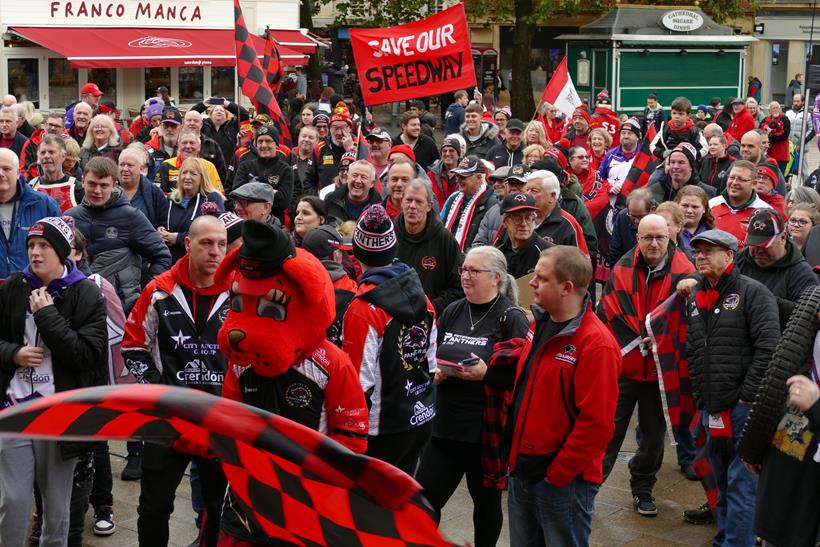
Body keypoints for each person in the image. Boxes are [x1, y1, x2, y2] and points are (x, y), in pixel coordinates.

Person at [122, 214, 229, 547]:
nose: (215, 252)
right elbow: (132, 346)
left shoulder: (240, 294)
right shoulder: (159, 291)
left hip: (219, 421)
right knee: (153, 508)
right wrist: (160, 391)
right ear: (187, 245)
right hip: (166, 420)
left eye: (222, 244)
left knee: (218, 508)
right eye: (206, 243)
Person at [0, 216, 107, 547]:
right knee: (13, 501)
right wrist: (13, 353)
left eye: (44, 246)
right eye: (31, 245)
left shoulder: (86, 293)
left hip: (59, 415)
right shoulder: (14, 286)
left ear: (63, 252)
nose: (35, 252)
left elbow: (87, 356)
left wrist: (47, 316)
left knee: (57, 509)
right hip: (12, 409)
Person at [506, 245, 620, 547]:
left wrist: (558, 475)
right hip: (523, 472)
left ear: (567, 288)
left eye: (541, 279)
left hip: (563, 484)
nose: (531, 283)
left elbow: (597, 424)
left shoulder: (596, 345)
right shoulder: (540, 323)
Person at [416, 246, 529, 547]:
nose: (465, 276)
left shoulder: (511, 317)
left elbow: (522, 376)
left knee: (486, 507)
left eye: (474, 271)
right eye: (464, 270)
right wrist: (435, 373)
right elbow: (431, 355)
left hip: (485, 433)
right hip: (444, 429)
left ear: (496, 278)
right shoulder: (454, 310)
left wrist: (486, 374)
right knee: (424, 502)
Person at [683, 228, 780, 547]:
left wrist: (747, 397)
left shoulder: (753, 293)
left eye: (709, 250)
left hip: (742, 409)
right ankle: (725, 537)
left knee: (741, 484)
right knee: (720, 481)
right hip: (711, 405)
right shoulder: (697, 295)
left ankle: (736, 542)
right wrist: (701, 394)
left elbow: (769, 348)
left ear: (729, 255)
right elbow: (694, 347)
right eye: (697, 251)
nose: (701, 256)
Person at [599, 214, 696, 515]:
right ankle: (590, 485)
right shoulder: (622, 268)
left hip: (660, 372)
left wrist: (662, 340)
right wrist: (643, 338)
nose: (654, 244)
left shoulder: (686, 272)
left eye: (660, 238)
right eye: (647, 238)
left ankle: (643, 488)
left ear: (670, 237)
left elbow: (689, 322)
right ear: (637, 238)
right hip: (624, 369)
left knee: (654, 438)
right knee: (606, 431)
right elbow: (610, 314)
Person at [343, 205, 437, 474]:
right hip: (420, 418)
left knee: (371, 511)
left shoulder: (364, 308)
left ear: (357, 252)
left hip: (382, 431)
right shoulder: (423, 297)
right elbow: (429, 365)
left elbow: (358, 383)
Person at [64, 157, 171, 314]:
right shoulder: (70, 218)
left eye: (104, 185)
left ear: (114, 185)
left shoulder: (131, 216)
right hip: (79, 307)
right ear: (82, 181)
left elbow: (162, 255)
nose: (97, 191)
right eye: (92, 184)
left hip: (122, 309)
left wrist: (147, 290)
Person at [734, 207, 817, 327]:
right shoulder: (741, 258)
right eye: (753, 244)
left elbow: (809, 315)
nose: (758, 251)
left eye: (764, 245)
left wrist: (764, 298)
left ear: (783, 238)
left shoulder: (801, 273)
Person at [395, 178, 464, 315]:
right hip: (393, 317)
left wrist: (430, 308)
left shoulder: (444, 239)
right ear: (402, 202)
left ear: (429, 206)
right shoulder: (390, 235)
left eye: (419, 201)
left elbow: (458, 287)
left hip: (432, 319)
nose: (412, 206)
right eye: (408, 200)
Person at [0, 148, 61, 278]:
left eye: (6, 169)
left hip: (33, 288)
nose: (1, 174)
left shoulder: (44, 205)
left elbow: (61, 251)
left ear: (18, 173)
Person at [161, 157, 225, 263]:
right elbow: (162, 220)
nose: (187, 177)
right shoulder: (171, 199)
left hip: (198, 262)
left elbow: (215, 231)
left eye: (193, 174)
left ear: (202, 177)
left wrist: (179, 238)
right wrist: (160, 228)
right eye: (184, 173)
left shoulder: (211, 198)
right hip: (169, 262)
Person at [233, 126, 293, 224]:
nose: (264, 145)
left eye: (268, 141)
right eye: (260, 141)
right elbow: (237, 195)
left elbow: (283, 201)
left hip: (275, 224)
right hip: (246, 223)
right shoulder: (245, 167)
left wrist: (250, 192)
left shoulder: (286, 170)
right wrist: (271, 191)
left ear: (276, 144)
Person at [708, 159, 771, 248]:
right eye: (732, 177)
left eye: (741, 179)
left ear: (753, 184)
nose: (734, 183)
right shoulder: (712, 204)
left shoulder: (765, 212)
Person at [441, 155, 498, 251]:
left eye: (463, 177)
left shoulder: (492, 204)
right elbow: (441, 226)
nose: (458, 180)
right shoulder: (453, 199)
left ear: (479, 178)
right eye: (457, 176)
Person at [524, 170, 588, 252]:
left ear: (552, 196)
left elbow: (581, 262)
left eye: (534, 191)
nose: (527, 195)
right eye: (527, 189)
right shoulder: (516, 218)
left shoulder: (568, 225)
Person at [495, 192, 553, 278]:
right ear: (504, 222)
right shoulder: (498, 255)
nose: (524, 223)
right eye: (517, 218)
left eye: (528, 217)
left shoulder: (549, 253)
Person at [155, 129, 223, 194]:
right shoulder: (166, 165)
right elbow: (158, 195)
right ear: (178, 146)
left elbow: (219, 194)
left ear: (199, 147)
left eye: (192, 143)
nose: (188, 146)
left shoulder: (209, 167)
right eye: (184, 143)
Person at [117, 145, 168, 230]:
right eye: (122, 164)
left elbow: (164, 221)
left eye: (130, 165)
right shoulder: (109, 189)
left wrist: (161, 228)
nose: (125, 169)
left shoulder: (155, 193)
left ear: (141, 168)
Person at [647, 142, 717, 203]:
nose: (675, 166)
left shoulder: (709, 193)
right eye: (672, 162)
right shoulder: (653, 191)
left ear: (691, 167)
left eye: (681, 162)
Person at [29, 134, 82, 213]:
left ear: (63, 156)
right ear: (38, 158)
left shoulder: (77, 188)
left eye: (51, 152)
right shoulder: (31, 187)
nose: (46, 156)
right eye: (43, 152)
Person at [180, 110, 228, 184]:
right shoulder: (176, 142)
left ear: (201, 124)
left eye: (196, 121)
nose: (192, 123)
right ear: (183, 123)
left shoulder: (212, 144)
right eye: (189, 120)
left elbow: (222, 173)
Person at [598, 117, 641, 194]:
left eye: (630, 133)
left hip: (635, 202)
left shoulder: (643, 155)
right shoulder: (610, 155)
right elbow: (599, 179)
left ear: (637, 137)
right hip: (612, 202)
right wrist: (609, 187)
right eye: (623, 133)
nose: (626, 136)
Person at [21, 112, 65, 180]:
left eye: (57, 126)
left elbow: (72, 167)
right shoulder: (30, 143)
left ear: (63, 129)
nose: (53, 128)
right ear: (44, 125)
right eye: (50, 125)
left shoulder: (68, 144)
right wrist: (32, 183)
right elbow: (22, 169)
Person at [675, 185, 714, 252]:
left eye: (695, 207)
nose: (689, 211)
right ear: (677, 205)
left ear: (704, 208)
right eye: (685, 206)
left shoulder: (713, 234)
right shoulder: (669, 232)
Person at [428, 136, 463, 207]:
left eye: (451, 151)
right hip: (436, 216)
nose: (447, 154)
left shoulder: (466, 175)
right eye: (444, 151)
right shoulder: (431, 175)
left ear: (458, 154)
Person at [762, 101, 791, 173]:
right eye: (773, 108)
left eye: (777, 108)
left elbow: (784, 135)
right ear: (769, 110)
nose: (775, 110)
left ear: (780, 109)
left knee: (779, 178)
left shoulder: (784, 119)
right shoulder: (765, 120)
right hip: (768, 155)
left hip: (781, 156)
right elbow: (760, 133)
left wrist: (770, 133)